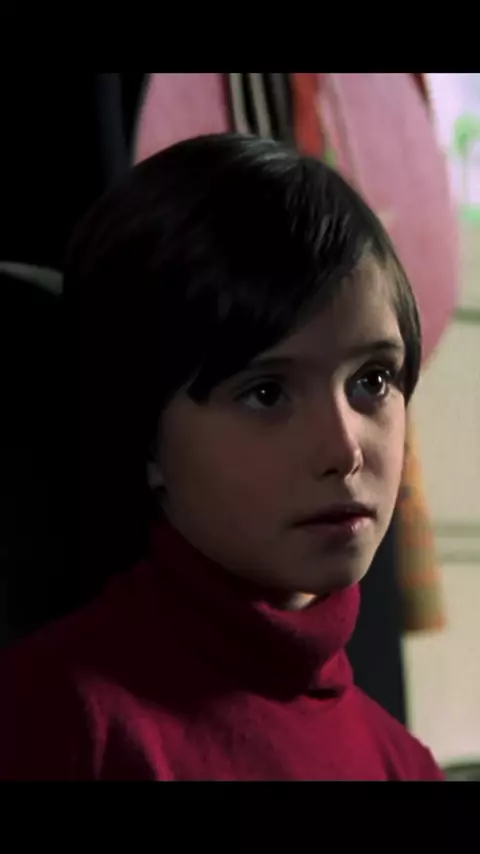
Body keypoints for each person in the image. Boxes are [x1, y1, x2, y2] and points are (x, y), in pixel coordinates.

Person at [0, 134, 444, 781]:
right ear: (143, 434)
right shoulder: (57, 721)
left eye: (372, 381)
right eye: (267, 393)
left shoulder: (404, 764)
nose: (345, 449)